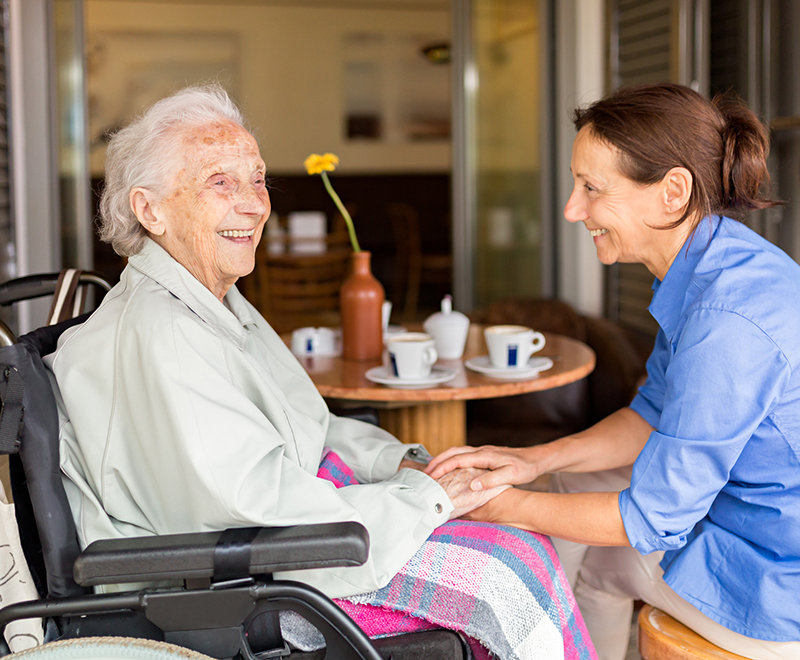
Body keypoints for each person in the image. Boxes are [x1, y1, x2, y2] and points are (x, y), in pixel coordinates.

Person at [48, 84, 506, 600]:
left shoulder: (214, 301)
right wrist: (426, 498)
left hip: (276, 551)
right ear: (150, 212)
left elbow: (306, 424)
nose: (252, 205)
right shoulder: (165, 334)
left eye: (259, 179)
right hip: (224, 594)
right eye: (220, 182)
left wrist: (396, 464)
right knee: (503, 573)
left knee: (511, 535)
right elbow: (255, 506)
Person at [426, 83, 800, 660]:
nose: (574, 210)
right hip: (754, 525)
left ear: (672, 192)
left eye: (592, 189)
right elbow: (651, 413)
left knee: (597, 564)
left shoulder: (728, 318)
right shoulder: (712, 264)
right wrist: (534, 460)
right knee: (574, 488)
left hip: (778, 582)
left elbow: (652, 516)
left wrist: (500, 502)